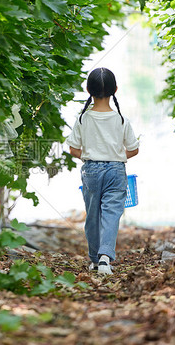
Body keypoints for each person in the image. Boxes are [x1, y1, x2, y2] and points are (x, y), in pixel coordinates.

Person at [65, 67, 139, 275]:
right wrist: (115, 156)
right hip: (116, 171)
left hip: (91, 170)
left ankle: (95, 259)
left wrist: (91, 156)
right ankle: (106, 257)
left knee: (93, 216)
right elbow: (133, 149)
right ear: (115, 89)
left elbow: (73, 149)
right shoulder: (121, 120)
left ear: (88, 90)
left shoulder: (83, 119)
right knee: (111, 214)